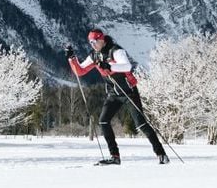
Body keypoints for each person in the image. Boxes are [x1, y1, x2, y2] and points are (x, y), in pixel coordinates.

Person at [67, 29, 168, 165]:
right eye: (90, 42)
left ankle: (161, 154)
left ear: (102, 39)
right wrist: (72, 59)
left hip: (128, 92)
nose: (93, 45)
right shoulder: (94, 55)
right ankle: (115, 156)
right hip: (113, 94)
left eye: (95, 41)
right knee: (103, 121)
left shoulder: (115, 51)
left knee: (141, 124)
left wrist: (109, 65)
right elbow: (80, 71)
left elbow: (127, 66)